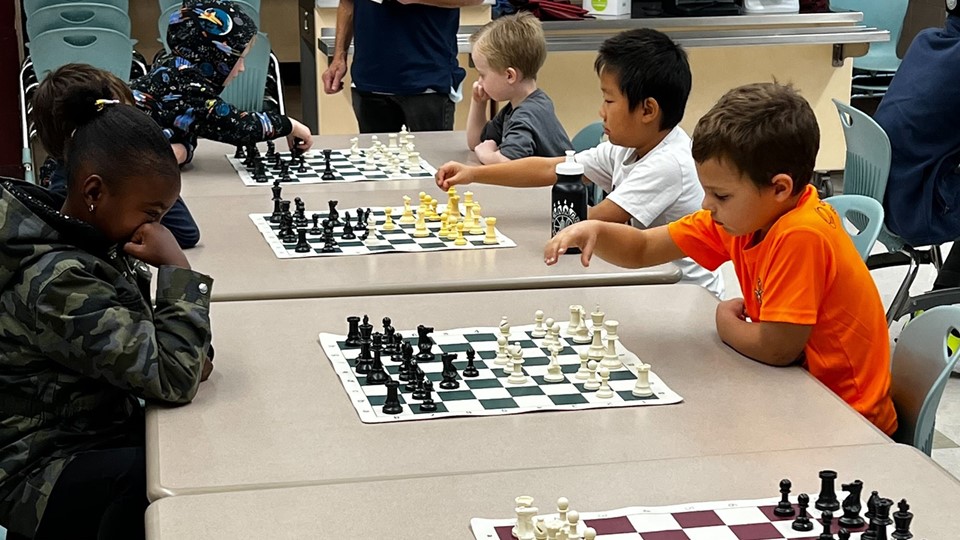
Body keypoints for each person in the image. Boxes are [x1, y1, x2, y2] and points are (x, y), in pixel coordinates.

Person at [544, 82, 898, 436]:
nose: (705, 204)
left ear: (779, 188)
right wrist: (597, 232)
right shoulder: (744, 218)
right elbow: (644, 248)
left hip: (848, 420)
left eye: (720, 195)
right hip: (795, 393)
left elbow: (776, 349)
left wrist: (723, 319)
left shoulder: (799, 234)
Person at [0, 92, 213, 539]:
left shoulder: (86, 241)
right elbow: (175, 375)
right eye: (152, 213)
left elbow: (189, 359)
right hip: (38, 470)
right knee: (163, 477)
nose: (155, 229)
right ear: (94, 191)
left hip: (91, 432)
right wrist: (178, 272)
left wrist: (180, 344)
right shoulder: (58, 281)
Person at [436, 28, 724, 298]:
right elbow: (551, 167)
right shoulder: (626, 147)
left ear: (647, 109)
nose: (601, 111)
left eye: (609, 101)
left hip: (682, 294)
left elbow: (591, 220)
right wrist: (474, 173)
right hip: (647, 278)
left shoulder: (668, 163)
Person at [33, 63, 202, 249]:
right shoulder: (67, 200)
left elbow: (186, 233)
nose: (130, 127)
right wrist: (177, 266)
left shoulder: (116, 187)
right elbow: (185, 233)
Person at [132, 0, 313, 163]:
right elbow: (238, 127)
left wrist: (183, 150)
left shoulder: (176, 70)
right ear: (217, 58)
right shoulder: (185, 85)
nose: (242, 68)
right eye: (238, 59)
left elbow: (186, 133)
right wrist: (289, 125)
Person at [873, 0, 960, 290]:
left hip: (886, 192)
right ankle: (945, 307)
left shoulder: (927, 41)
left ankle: (940, 302)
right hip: (916, 208)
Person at [321, 0, 484, 133]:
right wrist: (339, 57)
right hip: (369, 78)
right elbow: (347, 3)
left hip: (428, 80)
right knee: (376, 165)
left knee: (431, 165)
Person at [466, 12, 571, 163]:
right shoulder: (515, 108)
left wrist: (487, 155)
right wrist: (478, 103)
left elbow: (509, 163)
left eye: (483, 75)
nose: (479, 82)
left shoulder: (527, 114)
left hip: (552, 187)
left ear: (510, 76)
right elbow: (476, 143)